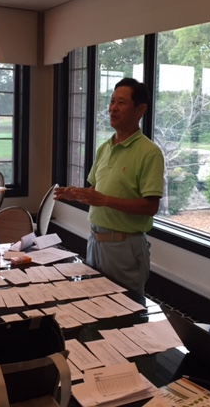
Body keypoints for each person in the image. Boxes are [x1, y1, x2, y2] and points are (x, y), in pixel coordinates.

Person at [54, 78, 164, 295]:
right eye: (112, 101)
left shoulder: (150, 153)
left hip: (125, 247)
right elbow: (96, 193)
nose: (113, 108)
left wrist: (104, 200)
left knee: (126, 308)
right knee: (95, 302)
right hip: (95, 241)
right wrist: (77, 195)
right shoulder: (105, 148)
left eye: (121, 103)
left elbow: (150, 206)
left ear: (140, 110)